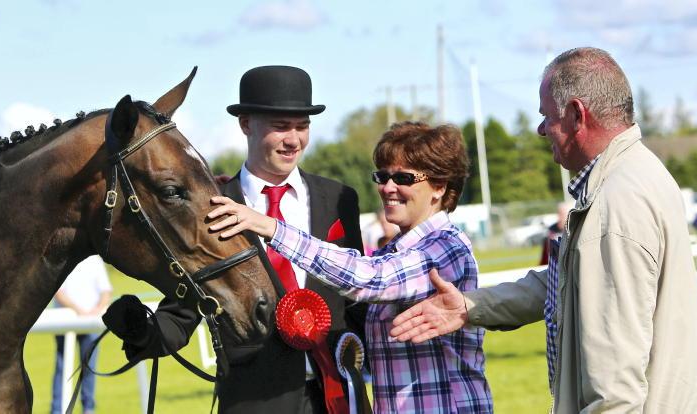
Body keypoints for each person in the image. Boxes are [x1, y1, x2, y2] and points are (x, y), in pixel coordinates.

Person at [389, 47, 697, 413]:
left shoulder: (614, 203)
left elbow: (614, 390)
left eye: (547, 116)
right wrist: (471, 306)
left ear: (576, 114)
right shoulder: (641, 172)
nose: (541, 130)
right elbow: (568, 281)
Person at [103, 65, 367, 414]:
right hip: (253, 401)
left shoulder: (338, 199)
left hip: (337, 396)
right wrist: (142, 330)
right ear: (245, 124)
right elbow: (182, 315)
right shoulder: (211, 206)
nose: (294, 140)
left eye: (302, 126)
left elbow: (359, 299)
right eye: (280, 126)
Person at [209, 121, 493, 413]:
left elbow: (370, 278)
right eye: (383, 176)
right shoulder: (393, 252)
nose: (387, 188)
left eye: (404, 178)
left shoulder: (445, 247)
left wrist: (270, 226)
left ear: (439, 187)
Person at [50, 255, 113, 414]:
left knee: (89, 367)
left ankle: (88, 408)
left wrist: (97, 310)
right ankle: (57, 409)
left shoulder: (95, 260)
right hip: (65, 322)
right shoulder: (64, 259)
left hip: (90, 323)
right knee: (62, 368)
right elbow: (58, 292)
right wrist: (78, 311)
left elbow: (106, 290)